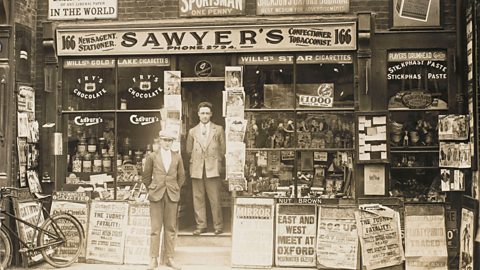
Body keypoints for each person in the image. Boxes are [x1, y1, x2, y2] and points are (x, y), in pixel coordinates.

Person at [143, 129, 185, 270]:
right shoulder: (152, 156)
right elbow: (146, 177)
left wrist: (175, 188)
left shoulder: (177, 156)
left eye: (170, 141)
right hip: (156, 195)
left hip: (171, 195)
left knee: (170, 228)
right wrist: (152, 188)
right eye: (165, 140)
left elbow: (182, 177)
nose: (167, 143)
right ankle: (153, 259)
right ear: (160, 141)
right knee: (155, 228)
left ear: (172, 142)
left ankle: (170, 258)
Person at [186, 102, 226, 235]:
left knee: (215, 198)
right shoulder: (192, 131)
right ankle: (201, 225)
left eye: (207, 113)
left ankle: (218, 226)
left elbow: (223, 149)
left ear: (211, 114)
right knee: (198, 198)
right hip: (197, 168)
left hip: (212, 168)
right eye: (202, 113)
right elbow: (188, 150)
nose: (204, 116)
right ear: (198, 114)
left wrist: (218, 163)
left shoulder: (218, 129)